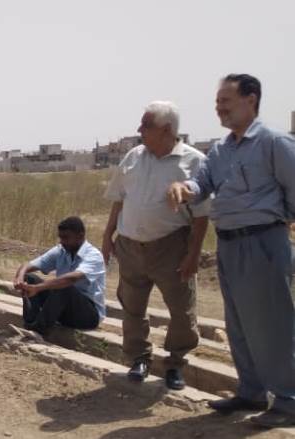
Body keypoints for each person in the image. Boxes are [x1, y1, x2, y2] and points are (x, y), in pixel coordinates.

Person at [167, 74, 295, 428]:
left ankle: (288, 400)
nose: (219, 108)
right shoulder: (221, 149)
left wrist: (280, 223)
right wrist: (184, 187)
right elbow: (202, 182)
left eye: (225, 101)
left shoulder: (274, 142)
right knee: (238, 323)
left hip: (262, 241)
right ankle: (251, 392)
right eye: (217, 103)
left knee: (272, 324)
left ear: (250, 99)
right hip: (229, 243)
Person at [102, 101, 208, 390]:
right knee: (132, 306)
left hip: (170, 247)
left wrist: (193, 255)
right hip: (130, 246)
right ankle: (139, 358)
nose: (140, 129)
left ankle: (175, 363)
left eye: (146, 125)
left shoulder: (194, 162)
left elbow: (201, 217)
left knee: (181, 310)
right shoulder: (134, 156)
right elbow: (119, 198)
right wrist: (108, 236)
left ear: (166, 130)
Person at [13, 217, 106, 337]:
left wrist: (37, 288)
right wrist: (20, 279)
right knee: (29, 278)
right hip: (64, 311)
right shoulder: (61, 251)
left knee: (64, 286)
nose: (62, 241)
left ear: (80, 236)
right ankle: (29, 324)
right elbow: (28, 265)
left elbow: (71, 279)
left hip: (88, 317)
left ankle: (39, 331)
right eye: (60, 237)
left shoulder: (93, 255)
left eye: (66, 237)